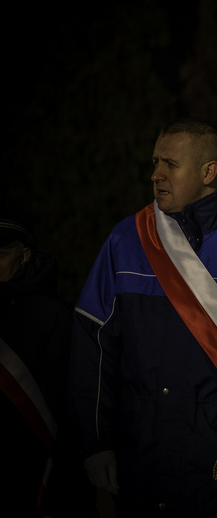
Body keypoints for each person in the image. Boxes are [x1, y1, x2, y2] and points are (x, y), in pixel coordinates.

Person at [69, 120, 217, 516]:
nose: (156, 174)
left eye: (170, 165)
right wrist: (95, 443)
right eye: (155, 162)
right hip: (139, 467)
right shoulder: (126, 241)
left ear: (208, 172)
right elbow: (93, 346)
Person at [1, 206, 93, 517]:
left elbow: (66, 415)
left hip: (32, 473)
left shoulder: (53, 319)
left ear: (23, 256)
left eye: (0, 255)